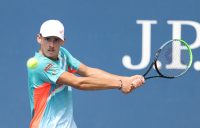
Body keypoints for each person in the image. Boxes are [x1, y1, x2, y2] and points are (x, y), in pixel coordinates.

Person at [27, 19, 145, 128]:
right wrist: (119, 84)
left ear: (63, 41)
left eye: (56, 40)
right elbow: (79, 83)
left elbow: (88, 71)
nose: (51, 45)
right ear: (39, 38)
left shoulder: (62, 54)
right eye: (47, 39)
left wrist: (125, 79)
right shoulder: (40, 65)